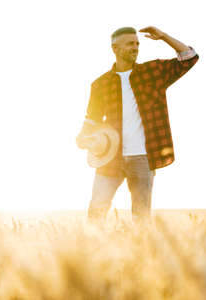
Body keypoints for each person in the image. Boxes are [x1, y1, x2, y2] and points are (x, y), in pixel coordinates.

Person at [76, 26, 199, 225]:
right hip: (109, 156)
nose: (135, 47)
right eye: (130, 44)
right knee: (96, 211)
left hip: (143, 157)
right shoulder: (100, 84)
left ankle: (141, 254)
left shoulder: (153, 72)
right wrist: (82, 137)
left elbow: (189, 57)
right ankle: (93, 253)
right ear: (115, 48)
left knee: (141, 217)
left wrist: (164, 37)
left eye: (137, 43)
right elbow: (92, 119)